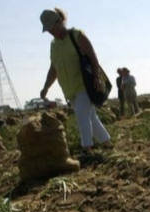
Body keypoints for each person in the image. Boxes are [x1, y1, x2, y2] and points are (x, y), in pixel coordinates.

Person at [38, 8, 112, 153]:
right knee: (91, 118)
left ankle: (87, 150)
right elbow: (54, 69)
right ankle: (107, 144)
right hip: (69, 90)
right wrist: (46, 87)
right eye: (48, 30)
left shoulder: (76, 35)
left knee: (82, 117)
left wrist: (96, 77)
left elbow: (92, 56)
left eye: (52, 27)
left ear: (60, 21)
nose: (51, 32)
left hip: (84, 85)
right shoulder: (54, 45)